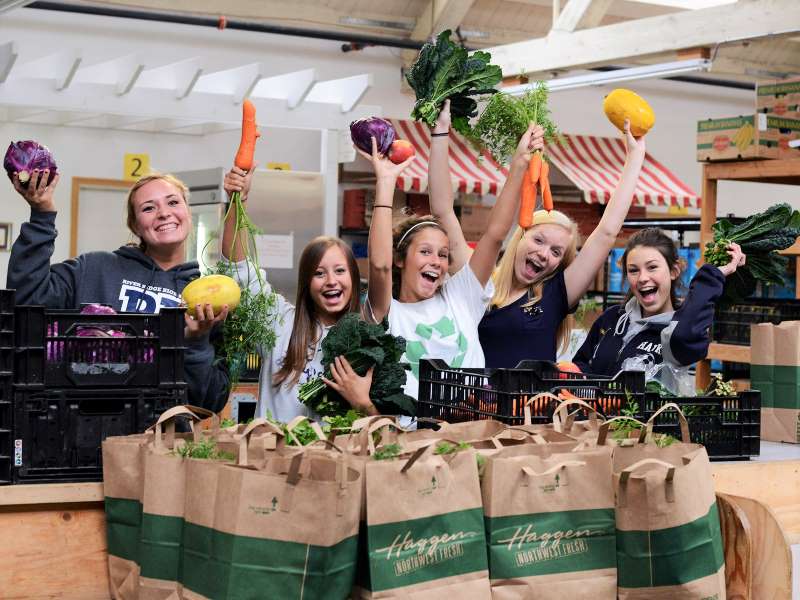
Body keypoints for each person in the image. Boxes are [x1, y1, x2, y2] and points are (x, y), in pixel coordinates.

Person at [6, 168, 230, 412]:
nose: (164, 213)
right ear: (134, 225)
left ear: (187, 211)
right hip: (81, 426)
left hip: (162, 439)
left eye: (173, 202)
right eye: (148, 208)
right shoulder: (94, 268)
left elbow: (209, 401)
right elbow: (26, 299)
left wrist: (196, 343)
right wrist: (42, 216)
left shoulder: (206, 298)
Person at [360, 121, 544, 400]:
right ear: (400, 259)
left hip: (469, 431)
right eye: (425, 252)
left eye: (443, 254)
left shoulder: (461, 298)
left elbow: (495, 236)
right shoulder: (387, 311)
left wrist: (519, 162)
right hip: (410, 436)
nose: (436, 261)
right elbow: (379, 265)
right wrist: (385, 183)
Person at [468, 118, 647, 368]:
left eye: (555, 252)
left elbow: (606, 233)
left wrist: (635, 158)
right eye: (538, 240)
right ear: (520, 238)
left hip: (531, 406)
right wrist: (520, 161)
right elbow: (491, 232)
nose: (543, 254)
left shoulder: (553, 296)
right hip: (473, 403)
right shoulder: (481, 286)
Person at [221, 166, 376, 421]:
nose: (331, 281)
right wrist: (238, 201)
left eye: (339, 271)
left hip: (336, 459)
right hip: (272, 456)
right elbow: (237, 270)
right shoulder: (279, 322)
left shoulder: (369, 341)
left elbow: (383, 425)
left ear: (354, 279)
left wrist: (363, 402)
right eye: (319, 274)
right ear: (306, 283)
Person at [572, 227, 745, 376]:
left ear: (674, 271)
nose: (642, 278)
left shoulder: (675, 332)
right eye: (633, 270)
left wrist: (713, 275)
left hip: (650, 415)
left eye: (652, 267)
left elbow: (685, 333)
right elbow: (581, 362)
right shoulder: (612, 318)